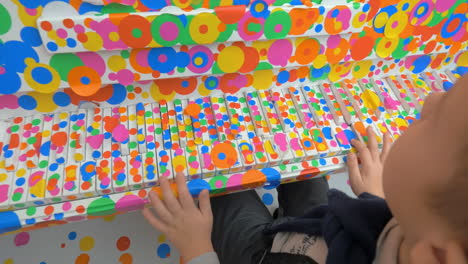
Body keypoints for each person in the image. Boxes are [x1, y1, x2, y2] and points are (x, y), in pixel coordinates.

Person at [142, 74, 468, 264]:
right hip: (324, 225)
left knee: (212, 193)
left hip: (264, 254)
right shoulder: (427, 235)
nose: (431, 97)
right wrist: (377, 197)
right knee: (306, 168)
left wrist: (197, 248)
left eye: (433, 120)